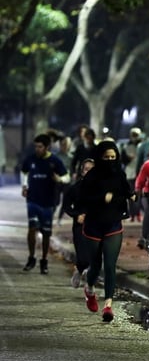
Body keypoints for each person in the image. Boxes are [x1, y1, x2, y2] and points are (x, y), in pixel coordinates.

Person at [78, 140, 135, 322]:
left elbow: (126, 190)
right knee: (95, 265)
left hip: (113, 225)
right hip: (94, 225)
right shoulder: (91, 177)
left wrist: (132, 195)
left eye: (113, 157)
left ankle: (108, 305)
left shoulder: (119, 174)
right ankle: (89, 289)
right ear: (99, 157)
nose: (110, 160)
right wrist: (102, 198)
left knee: (110, 266)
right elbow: (83, 199)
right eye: (106, 157)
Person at [20, 134, 70, 274]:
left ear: (47, 147)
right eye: (36, 146)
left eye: (40, 147)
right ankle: (31, 257)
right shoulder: (31, 159)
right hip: (32, 200)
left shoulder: (55, 161)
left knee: (46, 233)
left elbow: (66, 177)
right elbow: (24, 172)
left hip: (48, 202)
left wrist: (59, 178)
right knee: (32, 228)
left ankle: (44, 260)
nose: (37, 149)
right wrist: (24, 186)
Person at [62, 158, 95, 288]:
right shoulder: (75, 188)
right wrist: (76, 215)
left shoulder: (101, 188)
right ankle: (80, 269)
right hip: (80, 225)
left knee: (94, 253)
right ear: (82, 172)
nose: (89, 173)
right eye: (87, 169)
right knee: (82, 254)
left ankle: (85, 272)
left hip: (96, 224)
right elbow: (66, 206)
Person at [120, 127, 142, 222]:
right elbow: (122, 160)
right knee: (130, 195)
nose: (134, 137)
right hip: (129, 173)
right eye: (133, 135)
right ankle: (132, 214)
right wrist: (128, 158)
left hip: (140, 174)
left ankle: (138, 213)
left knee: (138, 195)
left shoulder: (142, 145)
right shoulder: (126, 146)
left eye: (136, 135)